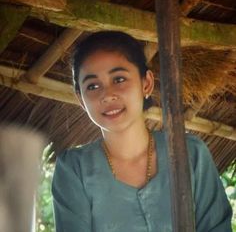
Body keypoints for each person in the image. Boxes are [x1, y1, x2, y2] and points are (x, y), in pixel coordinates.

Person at [52, 31, 232, 232]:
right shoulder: (74, 169)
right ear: (81, 99)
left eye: (119, 79)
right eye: (92, 86)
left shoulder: (189, 153)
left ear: (146, 83)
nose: (107, 95)